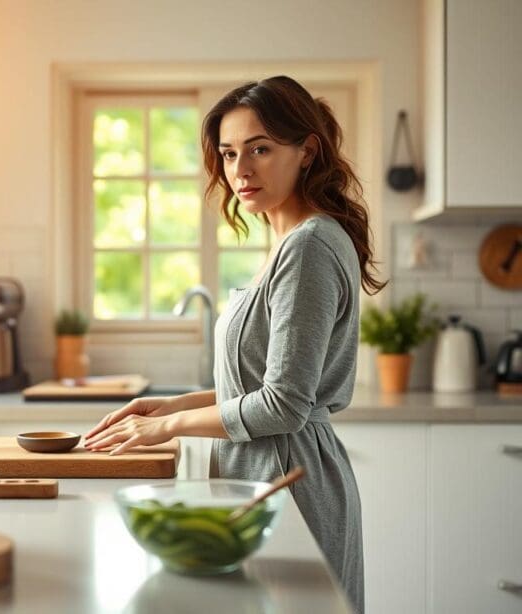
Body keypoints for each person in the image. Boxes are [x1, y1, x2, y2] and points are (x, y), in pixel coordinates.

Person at [84, 75, 386, 614]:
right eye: (228, 154)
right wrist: (175, 404)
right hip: (259, 481)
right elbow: (257, 384)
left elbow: (284, 404)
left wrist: (164, 427)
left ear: (306, 151)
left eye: (260, 149)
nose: (240, 171)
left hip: (287, 487)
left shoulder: (310, 247)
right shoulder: (288, 242)